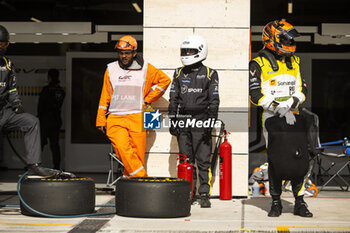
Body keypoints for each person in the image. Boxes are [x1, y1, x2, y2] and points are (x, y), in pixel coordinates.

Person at [249, 20, 312, 217]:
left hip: (294, 114)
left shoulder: (296, 61)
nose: (290, 42)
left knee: (300, 158)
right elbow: (254, 94)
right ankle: (276, 202)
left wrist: (291, 103)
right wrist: (277, 108)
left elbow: (304, 90)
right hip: (272, 117)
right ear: (273, 39)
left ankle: (300, 202)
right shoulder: (258, 63)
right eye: (286, 38)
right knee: (276, 159)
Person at [96, 35, 171, 177]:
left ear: (134, 53)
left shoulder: (146, 69)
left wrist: (148, 99)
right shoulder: (111, 69)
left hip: (137, 116)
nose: (123, 56)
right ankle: (142, 178)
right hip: (116, 118)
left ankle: (131, 184)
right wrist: (100, 119)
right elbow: (105, 95)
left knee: (137, 155)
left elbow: (165, 81)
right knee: (122, 149)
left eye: (127, 53)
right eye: (121, 53)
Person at [168, 35, 220, 208]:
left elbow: (214, 100)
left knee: (203, 160)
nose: (187, 54)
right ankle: (188, 192)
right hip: (183, 119)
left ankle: (204, 193)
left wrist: (210, 122)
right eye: (184, 51)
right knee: (185, 159)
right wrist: (172, 119)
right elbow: (173, 98)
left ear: (200, 51)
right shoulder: (178, 72)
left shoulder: (210, 73)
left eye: (190, 51)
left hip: (201, 119)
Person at [0, 25, 55, 177]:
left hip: (4, 112)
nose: (2, 47)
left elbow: (11, 88)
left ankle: (34, 165)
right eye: (0, 45)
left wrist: (16, 103)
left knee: (32, 122)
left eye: (4, 44)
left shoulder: (7, 63)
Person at [38, 68, 65, 170]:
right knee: (55, 145)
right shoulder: (60, 91)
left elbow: (40, 106)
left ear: (49, 77)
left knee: (40, 144)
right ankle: (57, 167)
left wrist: (40, 117)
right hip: (56, 120)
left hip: (45, 120)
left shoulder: (46, 90)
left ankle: (35, 165)